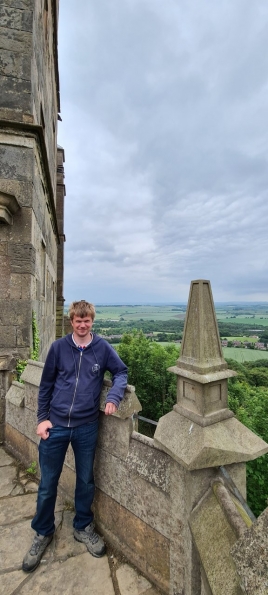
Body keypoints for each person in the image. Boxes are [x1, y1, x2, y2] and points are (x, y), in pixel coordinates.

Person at [22, 300, 127, 573]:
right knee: (47, 484)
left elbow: (121, 372)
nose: (83, 325)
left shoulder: (101, 348)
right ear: (72, 322)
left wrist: (114, 397)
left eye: (87, 320)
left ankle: (82, 526)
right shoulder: (58, 348)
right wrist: (42, 419)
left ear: (92, 321)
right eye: (78, 321)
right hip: (55, 425)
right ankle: (43, 532)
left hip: (86, 426)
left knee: (85, 479)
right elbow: (45, 386)